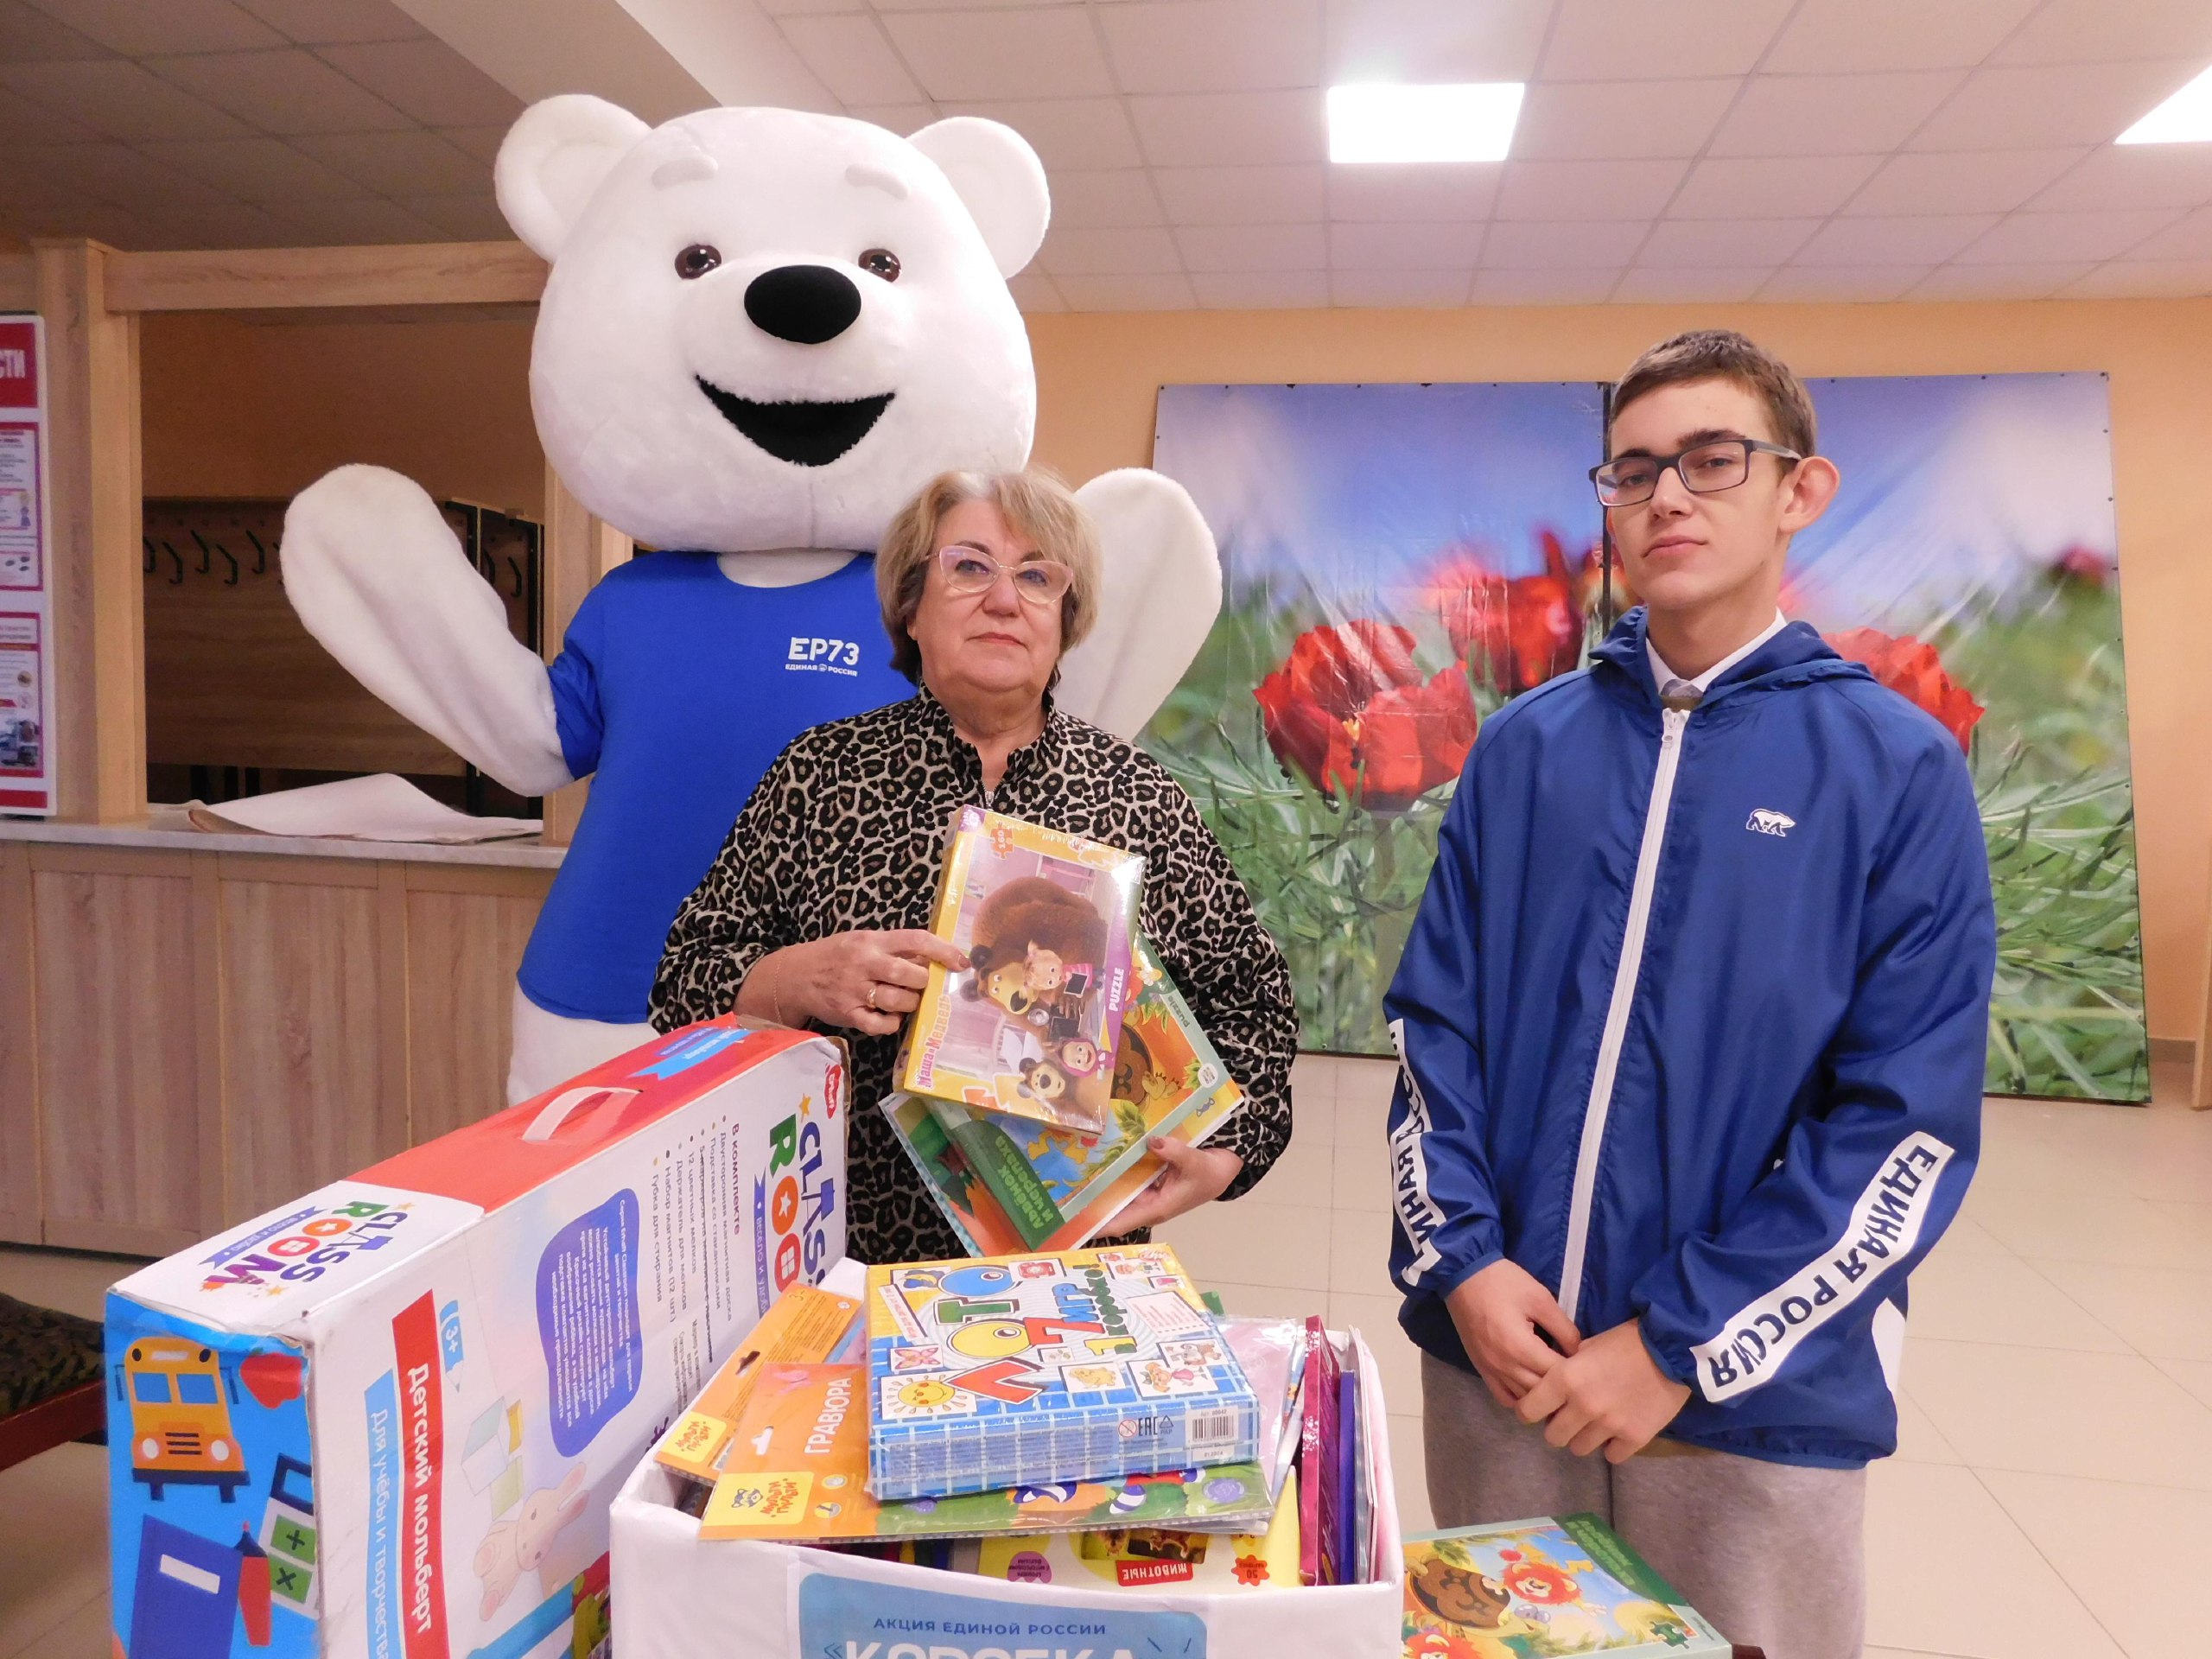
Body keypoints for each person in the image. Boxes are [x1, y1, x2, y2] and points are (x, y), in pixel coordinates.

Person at [1384, 330, 1996, 1659]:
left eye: (1714, 461)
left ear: (1798, 489)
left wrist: (1675, 1343)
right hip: (1504, 1370)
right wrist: (1469, 1266)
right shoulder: (1522, 751)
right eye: (1636, 468)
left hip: (1748, 1400)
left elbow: (1905, 1125)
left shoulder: (1893, 769)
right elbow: (1436, 1031)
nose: (1669, 497)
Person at [652, 467, 1297, 1264]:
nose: (1004, 599)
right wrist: (790, 980)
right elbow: (682, 983)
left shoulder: (1141, 798)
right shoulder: (820, 776)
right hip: (849, 1264)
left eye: (1036, 576)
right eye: (969, 567)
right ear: (911, 609)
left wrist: (1225, 1157)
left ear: (1066, 619)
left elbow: (1252, 1003)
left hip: (1074, 1271)